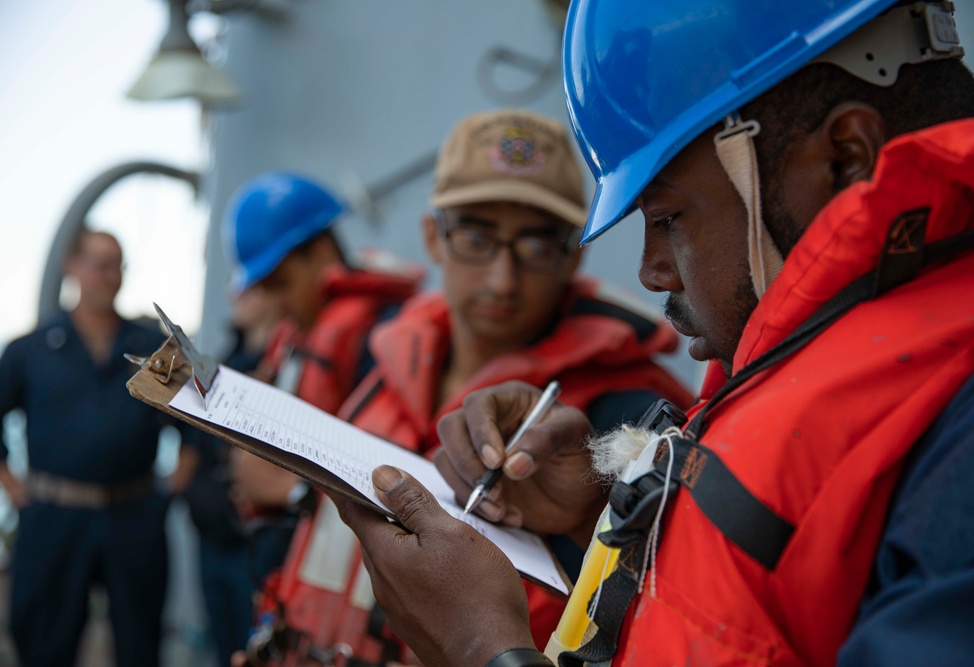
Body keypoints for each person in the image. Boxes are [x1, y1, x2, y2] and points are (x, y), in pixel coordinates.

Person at [325, 2, 974, 666]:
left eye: (669, 215)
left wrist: (482, 649)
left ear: (846, 158)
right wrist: (599, 507)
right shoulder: (848, 354)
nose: (649, 271)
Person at [243, 109, 694, 665]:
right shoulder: (376, 359)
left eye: (534, 246)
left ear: (574, 253)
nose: (502, 279)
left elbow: (676, 610)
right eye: (477, 238)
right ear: (433, 237)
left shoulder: (632, 427)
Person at [0, 230, 176, 667]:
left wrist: (170, 491)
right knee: (44, 642)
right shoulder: (32, 348)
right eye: (99, 263)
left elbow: (192, 422)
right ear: (72, 267)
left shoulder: (153, 348)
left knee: (141, 644)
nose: (109, 276)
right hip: (54, 517)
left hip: (134, 514)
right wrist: (13, 487)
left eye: (117, 265)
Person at [222, 171, 422, 550]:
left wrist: (287, 491)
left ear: (323, 254)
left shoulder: (384, 337)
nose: (276, 304)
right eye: (265, 290)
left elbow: (403, 477)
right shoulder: (299, 335)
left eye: (281, 284)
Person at [178, 285, 283, 667]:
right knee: (223, 647)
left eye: (250, 288)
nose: (235, 295)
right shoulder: (230, 354)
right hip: (212, 534)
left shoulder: (289, 363)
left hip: (257, 542)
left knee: (254, 647)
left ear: (278, 294)